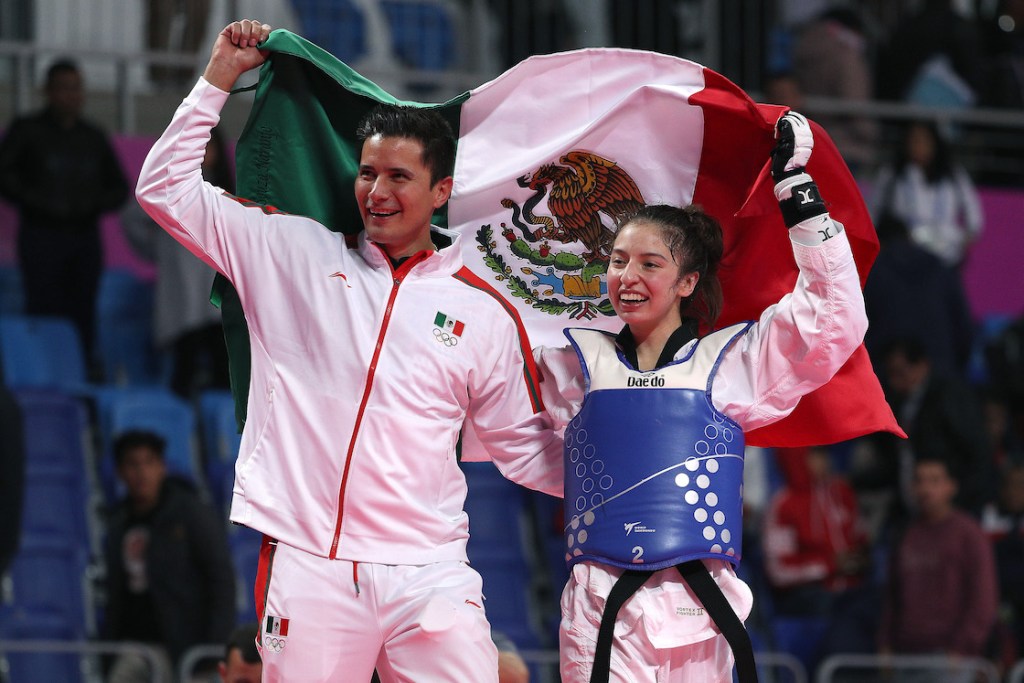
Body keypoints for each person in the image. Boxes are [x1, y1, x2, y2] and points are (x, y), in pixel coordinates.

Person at [135, 20, 562, 682]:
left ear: (441, 191)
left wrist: (617, 469)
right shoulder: (291, 254)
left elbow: (523, 444)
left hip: (430, 567)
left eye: (399, 175)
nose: (377, 191)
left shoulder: (484, 308)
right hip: (312, 562)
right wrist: (219, 77)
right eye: (367, 172)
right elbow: (163, 191)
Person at [533, 112, 868, 682]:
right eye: (617, 261)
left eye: (649, 263)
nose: (626, 277)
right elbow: (517, 443)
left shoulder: (727, 364)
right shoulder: (571, 363)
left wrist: (797, 193)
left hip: (700, 607)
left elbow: (832, 321)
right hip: (600, 607)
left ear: (688, 282)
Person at [0, 57, 129, 371]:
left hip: (83, 240)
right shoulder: (28, 130)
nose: (69, 96)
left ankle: (80, 375)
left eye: (75, 89)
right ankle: (40, 372)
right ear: (48, 91)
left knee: (83, 311)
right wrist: (38, 202)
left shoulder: (93, 137)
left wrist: (91, 205)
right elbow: (4, 175)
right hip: (41, 236)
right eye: (62, 89)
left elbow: (120, 187)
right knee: (43, 307)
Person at [102, 429, 236, 682]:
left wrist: (214, 648)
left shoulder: (191, 513)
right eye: (133, 464)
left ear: (162, 467)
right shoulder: (118, 522)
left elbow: (221, 579)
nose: (141, 473)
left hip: (187, 645)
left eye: (149, 462)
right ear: (120, 472)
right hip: (134, 644)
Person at [121, 126, 233, 398]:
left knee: (223, 372)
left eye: (211, 147)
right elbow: (133, 218)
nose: (205, 154)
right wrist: (160, 249)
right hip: (183, 294)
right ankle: (185, 431)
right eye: (199, 147)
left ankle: (217, 433)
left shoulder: (231, 192)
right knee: (184, 370)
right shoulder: (167, 186)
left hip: (218, 298)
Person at [878, 457, 998, 677]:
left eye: (934, 481)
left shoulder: (969, 534)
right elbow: (892, 595)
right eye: (919, 481)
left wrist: (963, 648)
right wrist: (885, 643)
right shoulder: (905, 532)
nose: (925, 489)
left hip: (949, 656)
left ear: (952, 486)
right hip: (905, 654)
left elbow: (983, 598)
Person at [761, 445, 869, 617]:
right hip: (810, 593)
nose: (823, 461)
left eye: (823, 454)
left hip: (853, 585)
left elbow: (862, 538)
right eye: (814, 455)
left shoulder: (842, 492)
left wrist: (860, 557)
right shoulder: (784, 504)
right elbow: (778, 571)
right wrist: (828, 566)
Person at [869, 119, 983, 269]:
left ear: (935, 144)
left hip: (945, 254)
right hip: (904, 254)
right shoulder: (893, 174)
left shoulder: (953, 175)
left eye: (924, 141)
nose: (918, 146)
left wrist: (965, 238)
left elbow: (973, 213)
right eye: (914, 141)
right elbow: (873, 211)